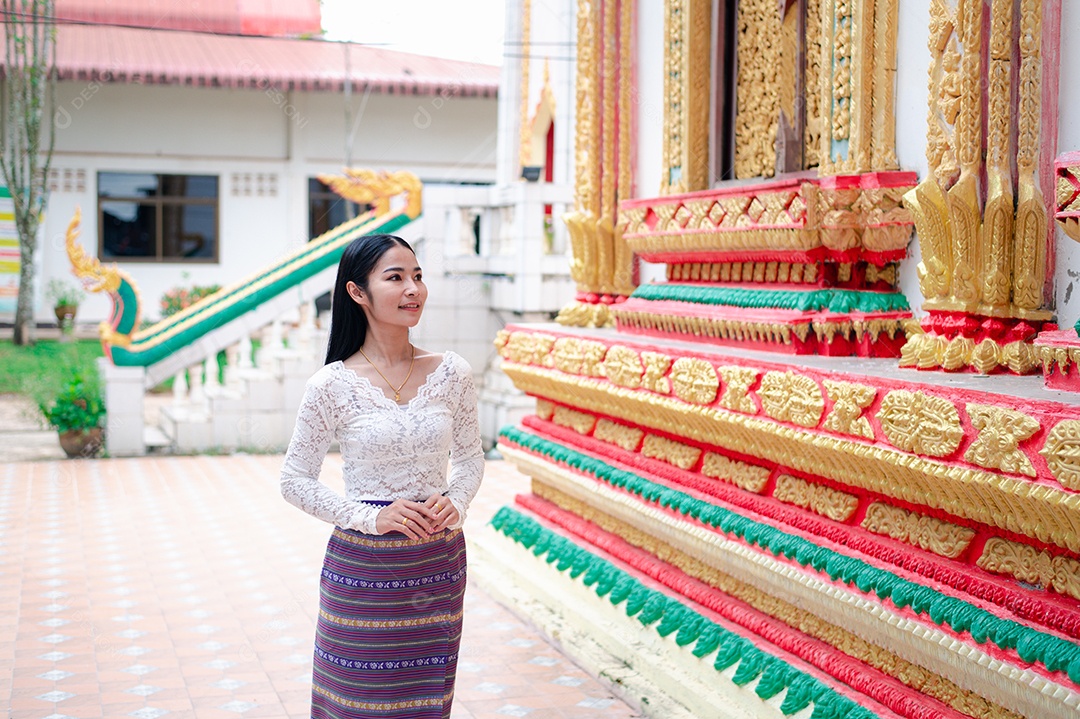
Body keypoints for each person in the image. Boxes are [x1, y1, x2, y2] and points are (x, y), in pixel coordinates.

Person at [280, 233, 484, 719]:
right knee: (358, 701)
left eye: (417, 276)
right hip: (364, 571)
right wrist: (370, 517)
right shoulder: (332, 384)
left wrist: (456, 500)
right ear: (357, 293)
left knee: (425, 700)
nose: (413, 288)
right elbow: (293, 479)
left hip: (437, 563)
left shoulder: (452, 372)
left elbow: (472, 458)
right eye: (395, 278)